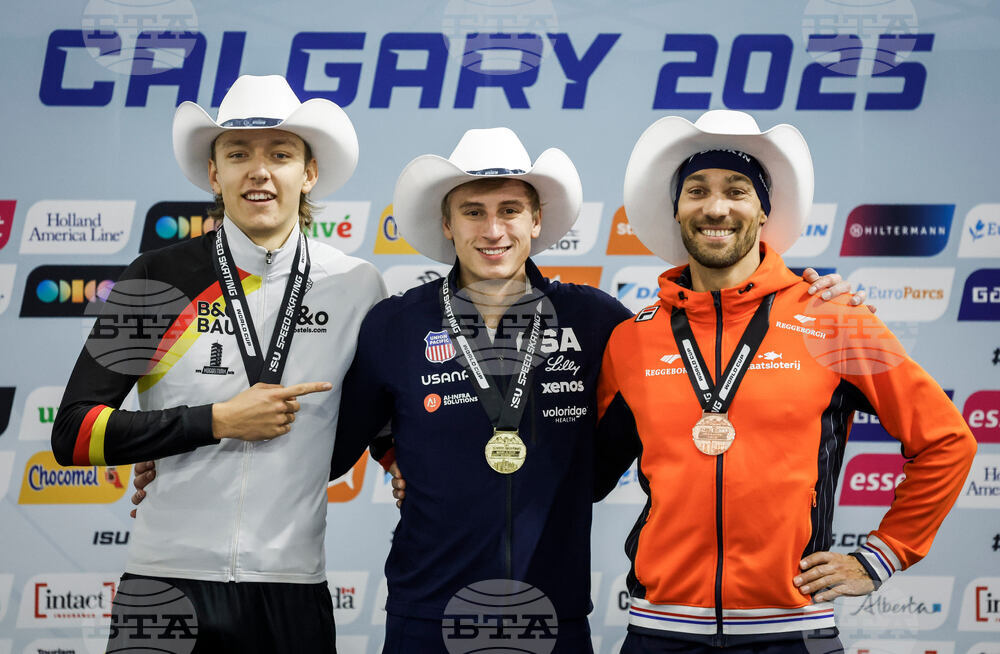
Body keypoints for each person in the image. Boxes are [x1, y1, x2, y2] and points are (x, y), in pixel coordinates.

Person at [324, 127, 862, 653]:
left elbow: (691, 379)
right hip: (427, 608)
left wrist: (806, 297)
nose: (493, 230)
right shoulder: (394, 324)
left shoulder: (597, 319)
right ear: (447, 222)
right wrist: (397, 456)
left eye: (510, 209)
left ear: (536, 220)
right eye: (473, 211)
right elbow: (356, 431)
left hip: (552, 610)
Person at [595, 110, 977, 653]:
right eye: (696, 190)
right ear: (677, 210)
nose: (716, 207)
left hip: (792, 632)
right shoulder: (633, 340)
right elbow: (580, 475)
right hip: (661, 631)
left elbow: (946, 441)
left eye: (737, 189)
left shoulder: (833, 317)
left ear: (763, 210)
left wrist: (883, 554)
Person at [51, 74, 386, 653]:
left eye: (280, 154)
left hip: (291, 588)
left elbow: (382, 413)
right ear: (215, 173)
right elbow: (73, 434)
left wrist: (399, 455)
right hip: (165, 586)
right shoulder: (156, 278)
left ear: (308, 173)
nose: (259, 171)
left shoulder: (357, 285)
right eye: (238, 154)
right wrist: (215, 422)